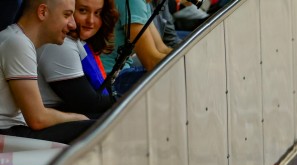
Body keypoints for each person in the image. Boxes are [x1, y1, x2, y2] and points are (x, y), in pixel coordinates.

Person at [0, 0, 94, 144]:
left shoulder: (18, 40)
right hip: (7, 134)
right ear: (42, 12)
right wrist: (79, 118)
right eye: (67, 15)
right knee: (95, 128)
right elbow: (38, 119)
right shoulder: (17, 43)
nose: (73, 24)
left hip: (13, 131)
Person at [37, 0, 118, 118]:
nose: (90, 21)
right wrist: (125, 98)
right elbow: (89, 103)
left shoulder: (79, 42)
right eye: (83, 11)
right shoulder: (60, 44)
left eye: (97, 13)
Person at [101, 0, 172, 96]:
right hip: (109, 81)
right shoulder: (133, 1)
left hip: (121, 72)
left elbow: (161, 48)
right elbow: (151, 61)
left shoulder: (141, 2)